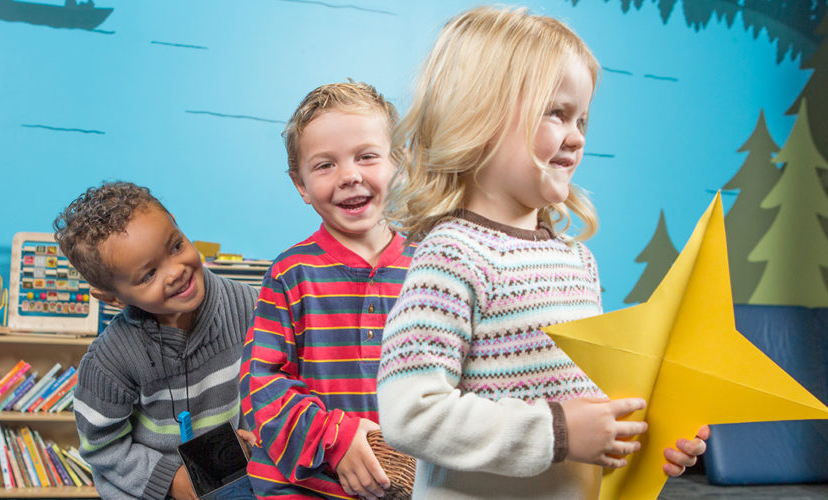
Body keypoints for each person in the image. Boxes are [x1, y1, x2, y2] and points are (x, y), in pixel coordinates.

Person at [375, 6, 709, 498]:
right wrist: (556, 430)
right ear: (478, 114)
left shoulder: (576, 261)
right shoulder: (452, 257)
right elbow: (410, 413)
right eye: (557, 113)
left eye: (583, 119)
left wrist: (642, 437)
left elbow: (585, 404)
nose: (576, 137)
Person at [239, 81, 415, 500]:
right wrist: (335, 438)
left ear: (399, 163)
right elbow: (259, 382)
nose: (350, 176)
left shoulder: (431, 267)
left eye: (367, 156)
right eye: (324, 165)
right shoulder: (291, 272)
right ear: (300, 185)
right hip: (305, 486)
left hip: (408, 485)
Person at [54, 181, 258, 500]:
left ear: (176, 224)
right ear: (111, 297)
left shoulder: (249, 306)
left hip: (238, 479)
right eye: (149, 275)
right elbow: (102, 447)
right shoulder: (109, 362)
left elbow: (276, 376)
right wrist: (172, 480)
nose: (175, 271)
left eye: (175, 246)